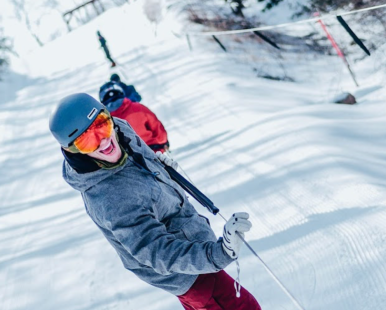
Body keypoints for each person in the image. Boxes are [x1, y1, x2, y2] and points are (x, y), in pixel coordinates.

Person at [48, 93, 262, 310]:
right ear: (74, 151)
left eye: (102, 125)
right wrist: (220, 253)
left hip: (194, 252)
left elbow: (140, 176)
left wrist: (159, 169)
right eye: (87, 140)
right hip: (190, 273)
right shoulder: (113, 198)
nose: (103, 140)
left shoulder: (120, 132)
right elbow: (158, 252)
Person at [99, 83, 169, 153]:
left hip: (130, 159)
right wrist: (163, 143)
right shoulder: (139, 108)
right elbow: (157, 127)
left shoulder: (104, 122)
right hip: (153, 150)